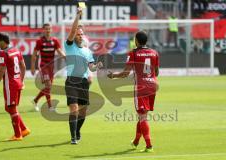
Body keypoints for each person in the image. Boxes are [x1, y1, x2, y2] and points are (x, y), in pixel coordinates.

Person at [107, 31, 159, 152]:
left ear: (136, 41)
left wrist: (113, 76)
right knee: (143, 115)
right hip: (152, 85)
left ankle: (149, 146)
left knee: (142, 117)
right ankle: (135, 142)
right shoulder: (154, 52)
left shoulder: (133, 53)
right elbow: (156, 72)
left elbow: (125, 73)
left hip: (141, 87)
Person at [64, 7, 102, 144]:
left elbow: (91, 67)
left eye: (81, 34)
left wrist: (96, 66)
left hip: (84, 82)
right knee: (73, 108)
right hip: (71, 82)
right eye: (78, 34)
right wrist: (78, 16)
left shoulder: (87, 51)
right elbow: (73, 30)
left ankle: (78, 130)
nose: (79, 36)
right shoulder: (69, 46)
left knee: (83, 111)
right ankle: (73, 136)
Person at [0, 33, 30, 141]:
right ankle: (23, 129)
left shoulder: (3, 53)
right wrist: (21, 81)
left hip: (10, 85)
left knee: (11, 108)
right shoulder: (16, 50)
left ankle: (18, 135)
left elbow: (1, 70)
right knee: (8, 107)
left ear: (3, 41)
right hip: (17, 83)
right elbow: (23, 66)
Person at [31, 23, 66, 111]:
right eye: (46, 29)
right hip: (43, 66)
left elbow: (59, 51)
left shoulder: (55, 40)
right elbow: (34, 55)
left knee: (48, 88)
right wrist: (32, 67)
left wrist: (66, 58)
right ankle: (50, 107)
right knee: (48, 85)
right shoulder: (40, 41)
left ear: (51, 30)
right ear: (43, 30)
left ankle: (35, 100)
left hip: (51, 67)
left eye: (49, 29)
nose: (48, 30)